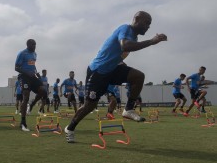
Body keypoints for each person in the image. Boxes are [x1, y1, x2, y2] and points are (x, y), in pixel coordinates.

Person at [64, 11, 167, 143]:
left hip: (112, 69)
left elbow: (120, 55)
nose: (148, 27)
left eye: (150, 24)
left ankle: (128, 109)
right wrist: (152, 41)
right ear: (136, 19)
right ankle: (70, 128)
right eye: (146, 23)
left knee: (138, 76)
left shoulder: (134, 38)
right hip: (98, 71)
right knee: (89, 106)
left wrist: (124, 68)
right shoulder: (125, 28)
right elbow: (125, 45)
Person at [15, 39, 46, 131]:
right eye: (33, 45)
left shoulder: (34, 54)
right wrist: (27, 72)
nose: (34, 46)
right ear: (28, 45)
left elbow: (33, 65)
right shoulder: (22, 53)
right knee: (26, 97)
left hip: (33, 76)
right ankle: (23, 122)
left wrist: (36, 73)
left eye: (35, 45)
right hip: (24, 77)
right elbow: (16, 67)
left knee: (43, 91)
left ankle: (32, 104)